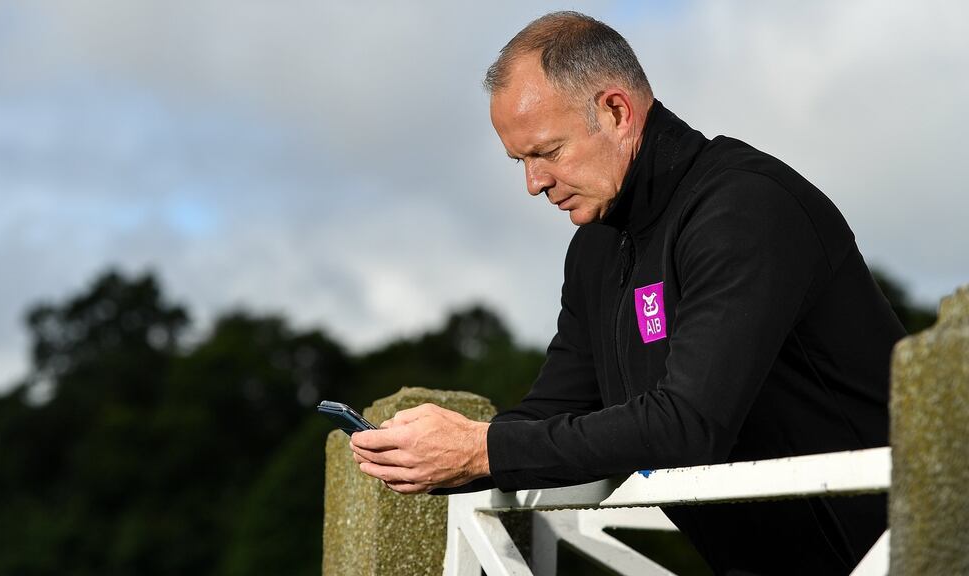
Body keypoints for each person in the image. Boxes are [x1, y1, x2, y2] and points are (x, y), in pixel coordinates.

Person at [350, 11, 905, 575]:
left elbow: (686, 427)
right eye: (520, 161)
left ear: (616, 111)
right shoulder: (596, 247)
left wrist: (480, 449)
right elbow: (554, 412)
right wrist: (434, 458)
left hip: (908, 557)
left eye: (547, 152)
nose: (533, 183)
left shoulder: (744, 206)